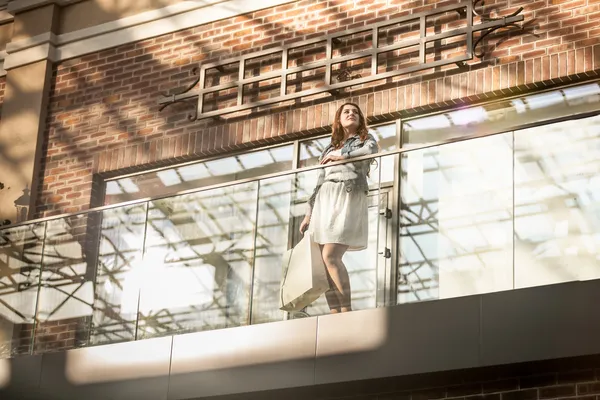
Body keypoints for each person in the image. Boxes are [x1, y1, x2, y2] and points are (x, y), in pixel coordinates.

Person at [299, 102, 378, 314]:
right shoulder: (328, 148)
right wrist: (309, 213)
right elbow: (318, 183)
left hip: (347, 194)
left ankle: (346, 310)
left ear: (360, 119)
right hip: (325, 199)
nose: (351, 114)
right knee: (324, 262)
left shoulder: (364, 139)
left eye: (355, 112)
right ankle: (334, 312)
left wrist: (343, 157)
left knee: (331, 256)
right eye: (346, 112)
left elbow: (371, 151)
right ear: (339, 119)